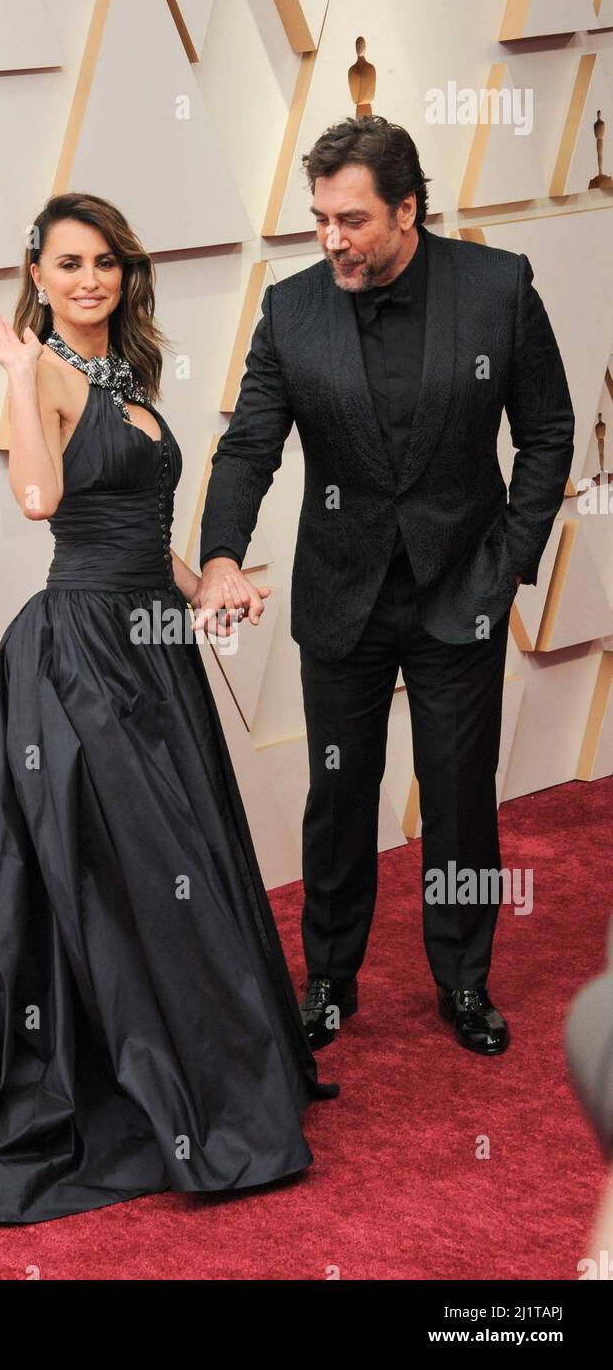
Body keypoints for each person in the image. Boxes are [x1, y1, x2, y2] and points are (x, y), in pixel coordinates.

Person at [0, 191, 338, 1227]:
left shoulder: (126, 375)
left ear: (123, 273)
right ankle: (158, 1082)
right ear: (39, 277)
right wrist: (17, 377)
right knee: (119, 864)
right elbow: (44, 503)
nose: (88, 279)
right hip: (81, 654)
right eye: (67, 264)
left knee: (153, 862)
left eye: (103, 262)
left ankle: (187, 1063)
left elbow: (141, 525)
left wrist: (207, 588)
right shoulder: (44, 370)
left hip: (151, 643)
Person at [194, 115, 575, 1057]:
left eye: (352, 219)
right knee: (339, 791)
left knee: (457, 794)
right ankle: (329, 978)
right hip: (342, 591)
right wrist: (219, 557)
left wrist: (508, 560)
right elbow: (250, 445)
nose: (332, 238)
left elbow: (548, 432)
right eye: (320, 217)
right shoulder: (291, 309)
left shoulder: (497, 288)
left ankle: (464, 980)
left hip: (461, 588)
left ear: (409, 209)